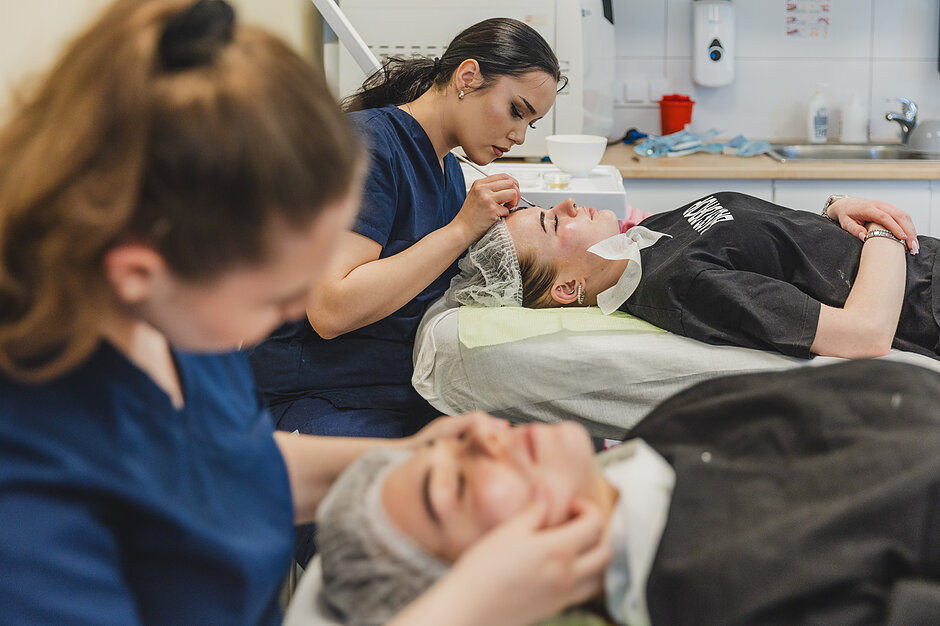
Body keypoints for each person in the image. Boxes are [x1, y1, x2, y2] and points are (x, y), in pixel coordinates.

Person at [0, 2, 609, 624]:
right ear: (138, 273)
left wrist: (419, 457)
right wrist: (468, 604)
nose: (295, 310)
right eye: (272, 295)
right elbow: (329, 314)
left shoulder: (180, 346)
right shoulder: (28, 504)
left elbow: (232, 462)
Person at [317, 358, 940, 626]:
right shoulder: (725, 594)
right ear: (498, 584)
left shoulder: (670, 429)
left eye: (440, 441)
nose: (476, 431)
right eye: (451, 485)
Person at [247, 17, 565, 442]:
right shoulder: (370, 145)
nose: (520, 136)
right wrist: (459, 230)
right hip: (318, 395)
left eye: (531, 123)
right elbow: (330, 310)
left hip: (398, 392)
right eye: (516, 111)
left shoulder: (450, 174)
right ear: (467, 77)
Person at [449, 192, 939, 360]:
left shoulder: (644, 241)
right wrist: (883, 234)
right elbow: (866, 333)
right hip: (924, 301)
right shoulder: (684, 287)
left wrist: (836, 208)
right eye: (554, 223)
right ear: (566, 289)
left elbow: (772, 245)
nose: (568, 205)